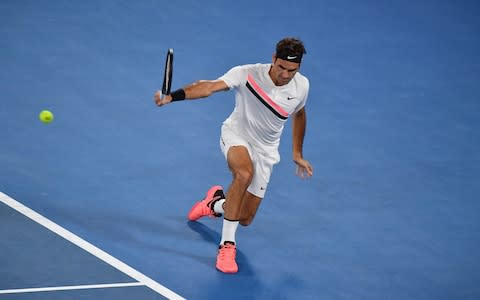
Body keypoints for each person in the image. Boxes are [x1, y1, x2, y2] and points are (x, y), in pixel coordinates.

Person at [154, 37, 313, 274]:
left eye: (292, 70)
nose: (285, 75)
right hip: (236, 135)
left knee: (245, 218)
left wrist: (297, 153)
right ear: (273, 59)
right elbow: (207, 87)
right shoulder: (246, 74)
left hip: (266, 152)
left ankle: (214, 204)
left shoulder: (301, 86)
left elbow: (299, 115)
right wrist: (172, 97)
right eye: (281, 67)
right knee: (243, 173)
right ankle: (227, 245)